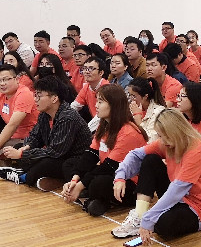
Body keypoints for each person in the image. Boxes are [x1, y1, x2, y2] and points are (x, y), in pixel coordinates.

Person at [111, 109, 201, 242]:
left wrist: (149, 218)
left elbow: (177, 190)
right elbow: (135, 154)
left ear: (175, 132)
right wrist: (120, 177)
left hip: (196, 208)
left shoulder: (196, 151)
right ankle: (139, 214)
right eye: (159, 135)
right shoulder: (167, 143)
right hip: (176, 197)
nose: (161, 140)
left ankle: (148, 217)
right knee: (150, 160)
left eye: (163, 136)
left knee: (163, 225)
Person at [61, 84, 147, 216]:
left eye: (100, 102)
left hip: (129, 183)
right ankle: (95, 198)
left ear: (114, 105)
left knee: (99, 183)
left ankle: (93, 196)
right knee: (70, 164)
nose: (96, 105)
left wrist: (80, 185)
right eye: (97, 101)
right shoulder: (104, 125)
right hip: (108, 172)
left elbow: (109, 167)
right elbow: (91, 155)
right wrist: (74, 180)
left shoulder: (128, 132)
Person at [0, 76, 92, 186]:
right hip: (58, 155)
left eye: (39, 96)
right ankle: (29, 173)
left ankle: (24, 177)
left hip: (73, 159)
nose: (35, 99)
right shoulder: (44, 114)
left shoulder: (68, 118)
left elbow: (55, 152)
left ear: (54, 98)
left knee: (45, 163)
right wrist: (26, 147)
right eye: (35, 95)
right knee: (19, 146)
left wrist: (21, 154)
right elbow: (35, 136)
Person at [126, 77, 166, 142]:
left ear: (145, 96)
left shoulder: (158, 112)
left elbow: (152, 140)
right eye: (129, 95)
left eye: (133, 96)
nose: (130, 99)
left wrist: (139, 121)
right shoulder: (131, 109)